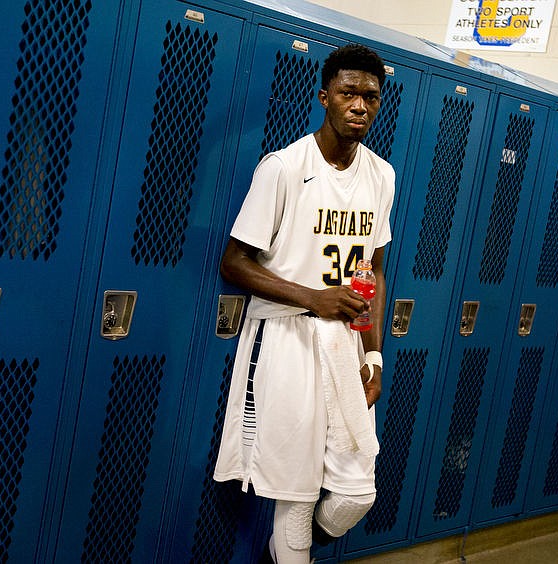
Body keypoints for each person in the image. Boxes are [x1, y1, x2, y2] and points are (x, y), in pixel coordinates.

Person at [213, 43, 395, 564]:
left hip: (346, 345)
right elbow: (235, 262)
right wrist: (313, 296)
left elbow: (374, 271)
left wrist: (374, 356)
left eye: (370, 96)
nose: (359, 105)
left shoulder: (381, 176)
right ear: (324, 97)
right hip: (287, 336)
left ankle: (287, 554)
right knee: (295, 496)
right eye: (348, 93)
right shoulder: (285, 167)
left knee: (356, 494)